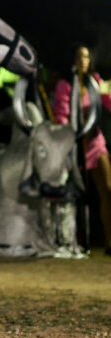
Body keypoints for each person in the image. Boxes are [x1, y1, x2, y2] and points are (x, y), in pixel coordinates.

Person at [52, 45, 111, 251]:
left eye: (86, 57)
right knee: (76, 194)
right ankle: (75, 241)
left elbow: (109, 103)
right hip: (74, 144)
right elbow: (61, 115)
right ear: (73, 60)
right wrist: (73, 132)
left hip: (95, 141)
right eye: (78, 56)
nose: (82, 60)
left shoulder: (95, 82)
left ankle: (109, 241)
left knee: (108, 189)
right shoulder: (65, 84)